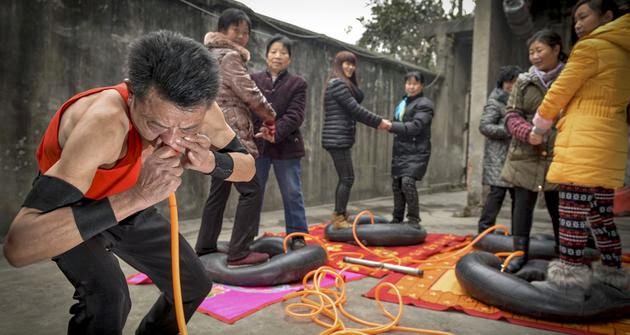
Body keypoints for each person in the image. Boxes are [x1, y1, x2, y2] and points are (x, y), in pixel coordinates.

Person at [3, 30, 255, 334]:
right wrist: (138, 197)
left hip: (130, 197)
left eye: (186, 127)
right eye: (156, 124)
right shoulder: (105, 125)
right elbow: (19, 246)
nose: (172, 140)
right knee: (109, 298)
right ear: (133, 93)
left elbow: (249, 168)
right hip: (75, 205)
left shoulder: (202, 110)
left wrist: (211, 162)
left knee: (193, 283)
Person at [532, 1, 629, 298]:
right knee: (600, 214)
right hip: (609, 143)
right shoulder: (624, 53)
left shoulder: (591, 48)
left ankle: (568, 283)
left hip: (584, 140)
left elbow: (561, 89)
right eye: (575, 18)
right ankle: (613, 274)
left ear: (607, 16)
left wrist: (540, 124)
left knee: (572, 211)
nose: (577, 24)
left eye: (583, 16)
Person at [195, 8, 277, 266]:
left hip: (210, 131)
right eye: (236, 31)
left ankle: (205, 246)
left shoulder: (205, 56)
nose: (242, 37)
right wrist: (270, 116)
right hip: (231, 132)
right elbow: (250, 93)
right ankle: (240, 252)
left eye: (246, 33)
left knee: (218, 190)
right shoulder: (230, 57)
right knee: (251, 189)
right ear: (222, 31)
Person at [500, 29, 567, 273]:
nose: (535, 56)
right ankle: (519, 253)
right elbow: (510, 114)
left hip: (559, 154)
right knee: (521, 207)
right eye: (531, 52)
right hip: (525, 154)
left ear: (556, 49)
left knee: (560, 208)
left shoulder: (572, 77)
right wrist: (527, 132)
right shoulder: (523, 81)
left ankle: (565, 254)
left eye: (539, 50)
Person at [321, 51, 391, 229]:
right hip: (337, 138)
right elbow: (356, 110)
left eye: (353, 64)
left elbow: (355, 101)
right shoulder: (337, 84)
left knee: (346, 177)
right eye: (346, 63)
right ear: (338, 64)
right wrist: (379, 122)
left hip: (339, 137)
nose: (350, 67)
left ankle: (340, 214)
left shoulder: (342, 85)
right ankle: (339, 217)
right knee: (347, 178)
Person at [252, 35, 309, 250]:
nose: (278, 56)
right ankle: (247, 234)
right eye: (274, 51)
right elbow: (249, 109)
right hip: (259, 145)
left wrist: (275, 132)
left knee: (292, 192)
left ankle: (297, 235)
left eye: (283, 52)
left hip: (287, 145)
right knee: (253, 191)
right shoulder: (254, 79)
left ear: (290, 59)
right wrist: (260, 132)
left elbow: (296, 115)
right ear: (266, 56)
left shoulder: (298, 83)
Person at [477, 65, 522, 233]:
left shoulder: (520, 100)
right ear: (502, 83)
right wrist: (510, 130)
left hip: (516, 157)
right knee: (497, 194)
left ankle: (518, 234)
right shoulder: (495, 101)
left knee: (518, 197)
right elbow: (484, 126)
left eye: (515, 82)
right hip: (498, 157)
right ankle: (484, 231)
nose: (511, 86)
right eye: (508, 82)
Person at [388, 71, 434, 225]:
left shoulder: (425, 104)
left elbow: (416, 126)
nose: (411, 87)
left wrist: (390, 125)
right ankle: (397, 218)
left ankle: (414, 219)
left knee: (407, 182)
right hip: (400, 150)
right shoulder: (403, 103)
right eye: (408, 83)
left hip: (417, 150)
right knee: (397, 184)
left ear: (421, 85)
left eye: (415, 84)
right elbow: (398, 124)